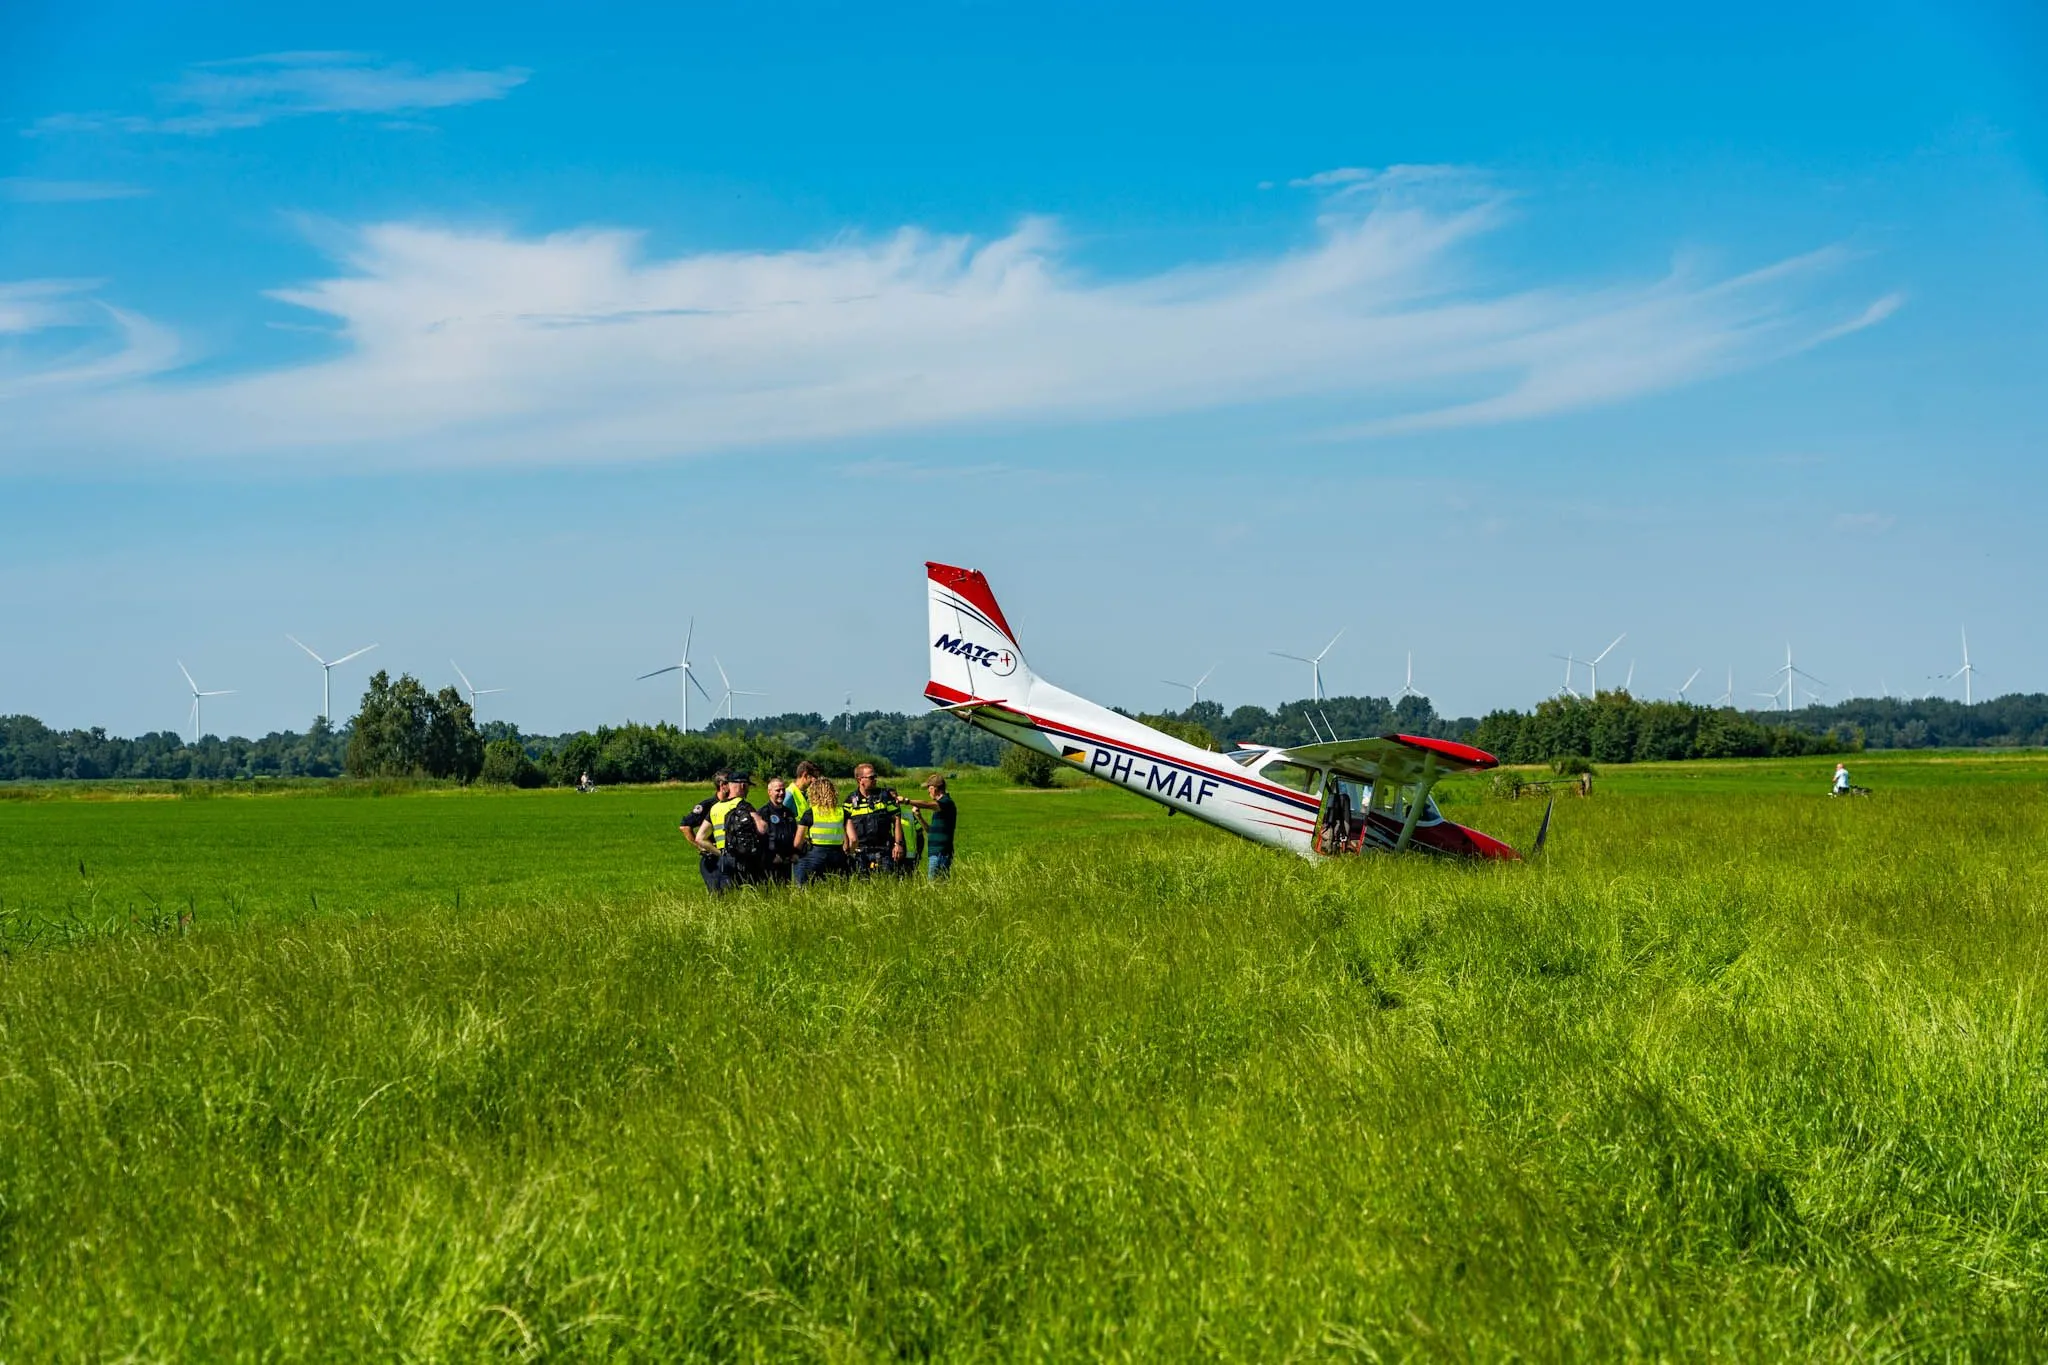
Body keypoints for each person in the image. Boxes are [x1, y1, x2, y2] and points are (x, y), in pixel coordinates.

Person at [693, 769, 770, 892]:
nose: (748, 789)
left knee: (727, 895)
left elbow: (700, 838)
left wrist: (719, 852)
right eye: (748, 786)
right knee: (751, 893)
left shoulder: (715, 808)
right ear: (743, 786)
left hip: (724, 860)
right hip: (742, 858)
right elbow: (762, 828)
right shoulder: (743, 805)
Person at [842, 762, 904, 876]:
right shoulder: (850, 801)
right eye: (871, 777)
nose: (875, 779)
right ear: (860, 780)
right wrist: (847, 848)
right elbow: (844, 826)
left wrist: (898, 844)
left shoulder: (885, 796)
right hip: (860, 853)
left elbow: (896, 819)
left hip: (884, 851)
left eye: (875, 776)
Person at [679, 769, 731, 893]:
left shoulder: (734, 804)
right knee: (717, 892)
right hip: (712, 858)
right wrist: (701, 846)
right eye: (732, 783)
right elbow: (685, 826)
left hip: (729, 856)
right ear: (723, 786)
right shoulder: (707, 805)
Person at [793, 774, 848, 884]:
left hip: (816, 854)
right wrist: (848, 852)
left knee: (802, 871)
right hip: (837, 854)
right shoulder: (842, 812)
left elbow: (797, 842)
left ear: (813, 793)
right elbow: (854, 838)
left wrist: (796, 852)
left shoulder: (810, 813)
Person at [902, 773, 958, 878]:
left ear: (934, 789)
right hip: (935, 853)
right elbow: (930, 831)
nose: (928, 792)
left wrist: (907, 801)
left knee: (935, 886)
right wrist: (919, 816)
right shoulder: (940, 807)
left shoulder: (946, 803)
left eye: (929, 788)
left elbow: (927, 804)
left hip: (940, 853)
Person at [761, 776, 800, 883]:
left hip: (787, 862)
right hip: (770, 863)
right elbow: (761, 839)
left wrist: (795, 853)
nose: (781, 793)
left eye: (783, 790)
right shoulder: (763, 813)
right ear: (769, 792)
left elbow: (795, 834)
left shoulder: (789, 813)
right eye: (778, 790)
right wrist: (771, 856)